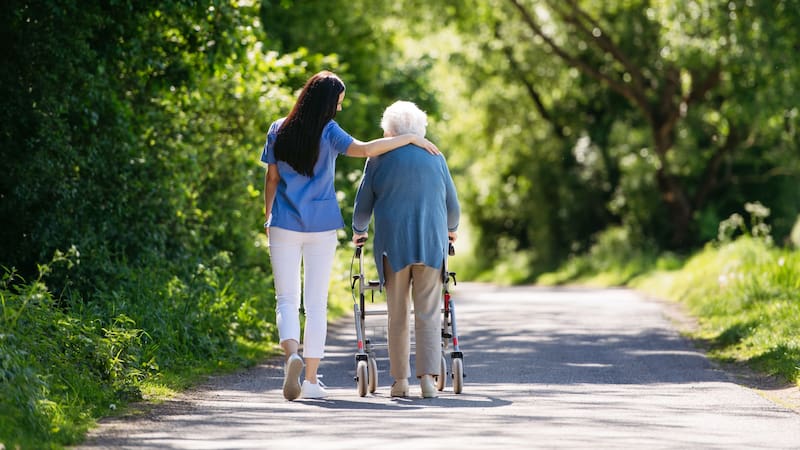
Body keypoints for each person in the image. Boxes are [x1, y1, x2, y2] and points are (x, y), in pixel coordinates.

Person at [261, 72, 440, 401]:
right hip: (321, 225)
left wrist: (268, 215)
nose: (339, 109)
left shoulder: (278, 128)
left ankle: (292, 355)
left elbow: (271, 179)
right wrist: (410, 138)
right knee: (316, 304)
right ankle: (310, 381)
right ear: (326, 103)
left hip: (283, 223)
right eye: (338, 103)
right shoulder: (329, 131)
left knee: (286, 299)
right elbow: (367, 149)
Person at [351, 100, 460, 398]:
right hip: (431, 244)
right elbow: (452, 205)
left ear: (390, 131)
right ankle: (428, 381)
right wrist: (452, 229)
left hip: (393, 247)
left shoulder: (377, 159)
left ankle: (400, 381)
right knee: (428, 312)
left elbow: (362, 205)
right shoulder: (436, 156)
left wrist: (359, 232)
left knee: (397, 313)